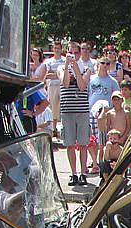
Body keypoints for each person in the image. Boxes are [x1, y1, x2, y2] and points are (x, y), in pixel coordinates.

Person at [59, 49, 91, 186]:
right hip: (67, 111)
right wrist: (67, 66)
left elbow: (82, 86)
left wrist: (76, 67)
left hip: (82, 111)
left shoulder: (87, 68)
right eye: (70, 52)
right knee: (70, 144)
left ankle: (83, 173)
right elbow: (65, 83)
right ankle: (74, 173)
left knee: (83, 144)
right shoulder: (60, 68)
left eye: (76, 53)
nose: (73, 55)